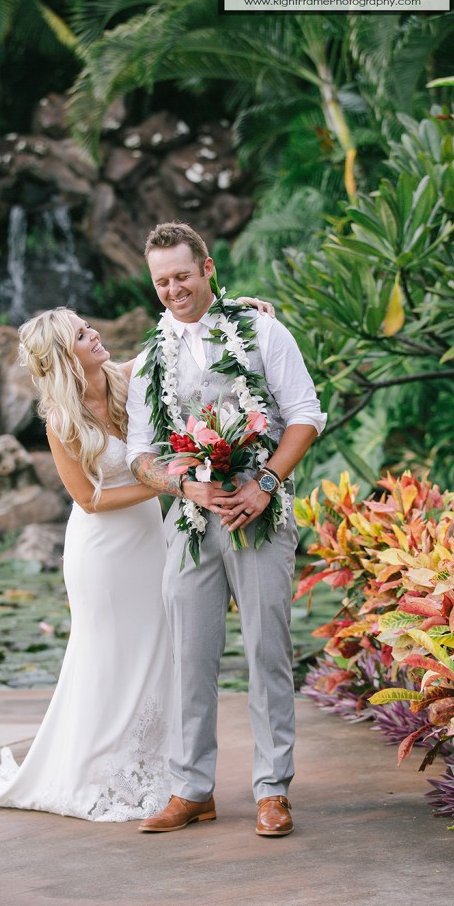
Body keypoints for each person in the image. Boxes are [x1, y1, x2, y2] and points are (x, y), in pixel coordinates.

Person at [0, 294, 275, 822]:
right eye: (83, 335)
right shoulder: (60, 420)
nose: (96, 336)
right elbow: (89, 499)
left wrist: (231, 307)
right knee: (109, 657)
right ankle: (102, 771)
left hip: (150, 540)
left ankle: (165, 771)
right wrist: (175, 485)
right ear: (66, 356)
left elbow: (172, 333)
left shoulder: (125, 378)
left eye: (89, 328)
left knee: (159, 649)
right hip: (102, 554)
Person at [125, 222, 326, 837]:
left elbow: (306, 415)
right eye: (162, 281)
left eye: (183, 276)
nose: (173, 290)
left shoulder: (261, 330)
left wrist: (263, 484)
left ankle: (273, 790)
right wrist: (183, 486)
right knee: (189, 657)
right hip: (191, 520)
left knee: (267, 650)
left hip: (259, 511)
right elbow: (139, 454)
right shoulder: (149, 359)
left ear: (208, 268)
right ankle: (191, 789)